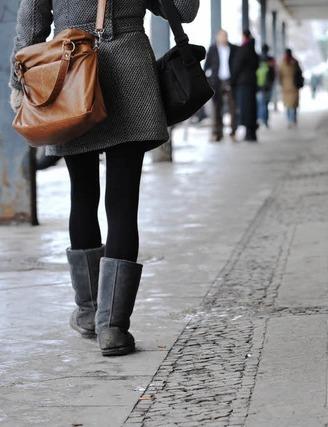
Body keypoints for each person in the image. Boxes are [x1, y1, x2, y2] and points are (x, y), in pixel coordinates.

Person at [9, 0, 200, 357]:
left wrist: (20, 83)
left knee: (82, 195)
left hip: (71, 72)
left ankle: (88, 311)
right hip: (130, 72)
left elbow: (32, 21)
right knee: (123, 203)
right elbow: (183, 10)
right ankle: (112, 326)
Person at [204, 29, 238, 141]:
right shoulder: (212, 49)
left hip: (229, 80)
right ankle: (218, 133)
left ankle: (233, 132)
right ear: (217, 37)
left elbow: (236, 64)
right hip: (216, 81)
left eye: (225, 36)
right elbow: (207, 65)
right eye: (222, 36)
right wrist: (207, 79)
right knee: (217, 107)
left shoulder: (233, 48)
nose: (224, 38)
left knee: (233, 107)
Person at [231, 30, 259, 142]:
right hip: (252, 82)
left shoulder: (243, 49)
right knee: (252, 108)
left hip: (243, 83)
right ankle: (252, 133)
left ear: (244, 36)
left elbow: (236, 67)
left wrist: (232, 81)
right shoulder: (253, 50)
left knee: (246, 109)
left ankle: (248, 134)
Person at [279, 48, 302, 128]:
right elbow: (299, 73)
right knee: (294, 104)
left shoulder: (282, 63)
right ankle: (293, 119)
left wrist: (281, 83)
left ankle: (289, 120)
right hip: (294, 86)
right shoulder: (295, 62)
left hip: (285, 86)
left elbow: (279, 75)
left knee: (288, 105)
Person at [256, 44, 276, 129]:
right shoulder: (271, 59)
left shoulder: (258, 58)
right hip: (268, 86)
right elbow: (273, 73)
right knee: (266, 103)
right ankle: (265, 120)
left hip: (259, 85)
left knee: (260, 103)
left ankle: (260, 118)